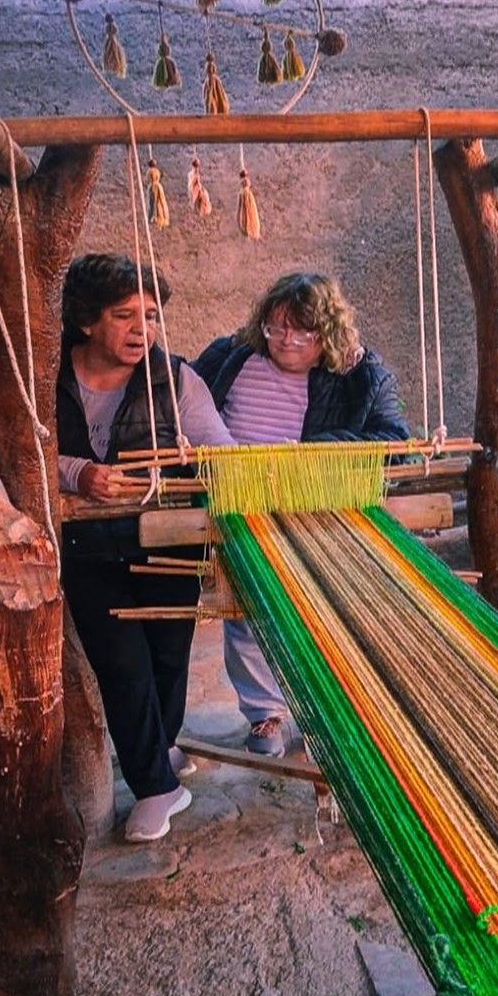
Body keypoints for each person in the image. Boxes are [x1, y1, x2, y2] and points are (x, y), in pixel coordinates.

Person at [193, 271, 410, 756]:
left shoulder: (361, 377)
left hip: (318, 515)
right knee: (244, 614)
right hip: (238, 507)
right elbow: (178, 397)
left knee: (320, 615)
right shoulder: (230, 357)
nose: (286, 341)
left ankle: (322, 716)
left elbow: (397, 445)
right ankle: (265, 714)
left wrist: (308, 453)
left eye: (302, 331)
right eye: (276, 328)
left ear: (328, 333)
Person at [58, 253, 234, 842]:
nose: (142, 330)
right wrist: (78, 472)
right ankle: (158, 786)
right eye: (124, 315)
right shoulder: (41, 377)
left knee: (167, 659)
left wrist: (198, 458)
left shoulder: (176, 379)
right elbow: (8, 444)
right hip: (87, 547)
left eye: (151, 316)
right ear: (86, 320)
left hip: (169, 542)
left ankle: (159, 749)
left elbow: (220, 451)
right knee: (123, 666)